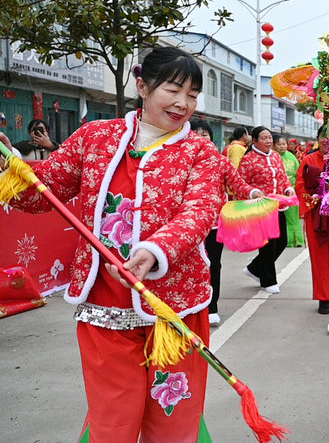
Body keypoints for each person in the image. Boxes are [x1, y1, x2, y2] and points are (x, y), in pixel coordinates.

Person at [0, 47, 224, 442]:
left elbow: (201, 209)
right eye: (173, 89)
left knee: (173, 417)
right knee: (112, 421)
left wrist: (156, 250)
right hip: (104, 307)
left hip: (174, 310)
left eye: (192, 94)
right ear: (142, 86)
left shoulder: (200, 151)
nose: (183, 103)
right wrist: (9, 167)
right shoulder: (95, 137)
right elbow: (44, 191)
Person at [192, 119, 261, 326]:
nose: (200, 138)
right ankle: (191, 305)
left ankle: (212, 307)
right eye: (196, 133)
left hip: (214, 225)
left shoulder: (220, 162)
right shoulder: (178, 160)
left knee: (214, 264)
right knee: (191, 266)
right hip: (187, 226)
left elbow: (237, 183)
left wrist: (252, 192)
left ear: (211, 138)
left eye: (205, 134)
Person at [236, 127, 294, 294]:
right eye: (264, 138)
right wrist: (252, 193)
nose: (269, 141)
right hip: (261, 208)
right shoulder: (248, 160)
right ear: (254, 141)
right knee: (268, 245)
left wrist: (288, 189)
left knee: (282, 241)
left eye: (270, 138)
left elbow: (283, 177)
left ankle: (254, 268)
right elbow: (240, 184)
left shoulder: (275, 156)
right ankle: (268, 280)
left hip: (279, 205)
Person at [296, 125, 329, 314]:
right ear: (317, 139)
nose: (327, 140)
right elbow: (300, 186)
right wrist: (315, 199)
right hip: (316, 214)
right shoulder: (308, 159)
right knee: (319, 258)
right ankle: (324, 298)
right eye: (323, 136)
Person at [278, 137, 305, 247]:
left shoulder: (292, 157)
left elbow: (299, 174)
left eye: (284, 144)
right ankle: (286, 240)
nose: (282, 146)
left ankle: (297, 239)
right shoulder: (274, 157)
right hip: (278, 193)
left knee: (293, 216)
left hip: (292, 191)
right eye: (279, 144)